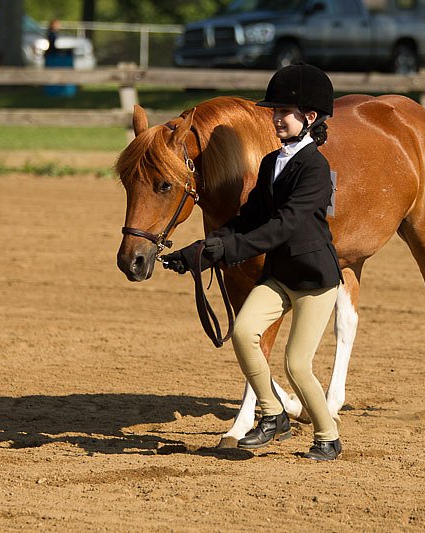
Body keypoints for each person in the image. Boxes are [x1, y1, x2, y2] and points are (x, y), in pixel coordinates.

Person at [163, 63, 344, 461]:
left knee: (297, 365)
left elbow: (283, 226)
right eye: (274, 110)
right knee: (245, 334)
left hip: (314, 279)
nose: (275, 118)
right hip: (280, 275)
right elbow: (249, 219)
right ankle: (272, 414)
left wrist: (222, 251)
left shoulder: (316, 168)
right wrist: (199, 250)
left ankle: (327, 435)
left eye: (284, 112)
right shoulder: (270, 163)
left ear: (309, 118)